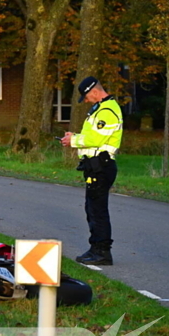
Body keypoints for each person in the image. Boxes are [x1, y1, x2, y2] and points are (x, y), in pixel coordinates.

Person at [61, 76, 123, 266]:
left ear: (94, 91)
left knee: (98, 209)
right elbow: (91, 135)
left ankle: (103, 251)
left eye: (86, 97)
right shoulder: (101, 109)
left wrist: (73, 141)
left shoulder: (107, 111)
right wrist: (76, 136)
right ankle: (95, 248)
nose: (86, 100)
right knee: (92, 208)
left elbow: (96, 139)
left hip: (101, 166)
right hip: (95, 166)